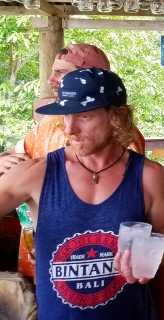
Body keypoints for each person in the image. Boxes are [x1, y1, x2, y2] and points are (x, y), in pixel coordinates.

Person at [0, 68, 164, 320]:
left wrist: (152, 257)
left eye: (83, 115)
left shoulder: (149, 176)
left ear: (117, 115)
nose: (70, 128)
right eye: (66, 115)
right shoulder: (38, 173)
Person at [0, 44, 145, 278]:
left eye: (61, 73)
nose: (51, 79)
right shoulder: (49, 123)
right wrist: (3, 162)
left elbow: (127, 209)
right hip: (36, 264)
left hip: (98, 269)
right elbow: (14, 152)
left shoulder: (122, 136)